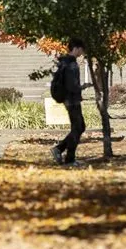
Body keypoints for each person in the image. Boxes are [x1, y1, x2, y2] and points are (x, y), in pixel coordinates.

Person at [52, 38, 87, 166]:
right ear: (76, 48)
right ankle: (68, 157)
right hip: (72, 100)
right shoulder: (71, 64)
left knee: (80, 127)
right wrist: (81, 88)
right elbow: (72, 85)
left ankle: (60, 149)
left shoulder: (65, 62)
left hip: (69, 99)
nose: (82, 53)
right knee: (78, 127)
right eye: (81, 50)